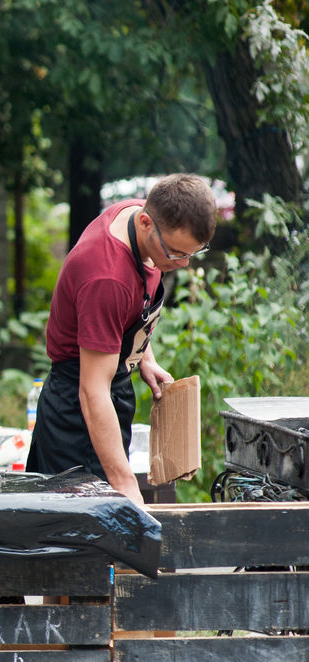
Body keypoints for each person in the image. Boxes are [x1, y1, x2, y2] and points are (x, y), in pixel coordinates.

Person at [25, 173, 217, 506]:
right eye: (175, 254)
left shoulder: (136, 217)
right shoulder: (106, 277)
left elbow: (128, 310)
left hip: (109, 382)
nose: (183, 265)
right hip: (78, 415)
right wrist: (125, 483)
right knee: (85, 534)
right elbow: (92, 391)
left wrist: (144, 355)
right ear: (146, 222)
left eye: (192, 254)